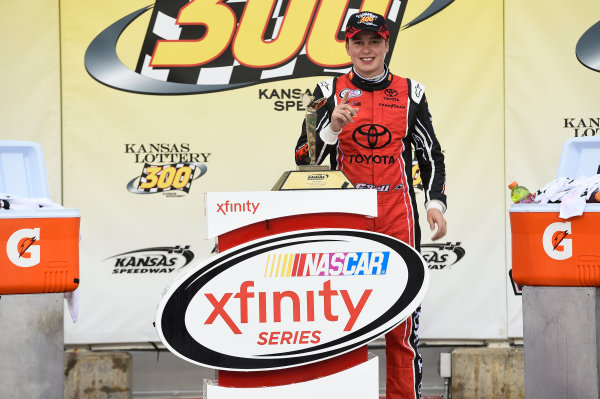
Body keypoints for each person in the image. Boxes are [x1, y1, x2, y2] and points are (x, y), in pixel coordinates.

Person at [294, 11, 447, 399]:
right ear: (347, 46)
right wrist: (331, 128)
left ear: (386, 45)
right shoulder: (325, 90)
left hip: (398, 210)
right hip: (347, 213)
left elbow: (430, 154)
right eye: (358, 42)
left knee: (403, 320)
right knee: (346, 317)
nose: (366, 49)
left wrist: (435, 203)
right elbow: (302, 158)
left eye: (374, 41)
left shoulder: (411, 91)